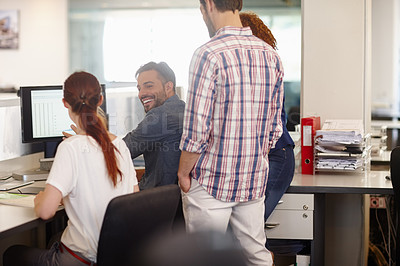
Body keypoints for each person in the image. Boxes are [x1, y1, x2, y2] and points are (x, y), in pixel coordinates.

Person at [177, 1, 284, 265]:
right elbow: (274, 128)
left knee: (202, 258)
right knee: (256, 254)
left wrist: (183, 172)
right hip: (253, 178)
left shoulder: (208, 53)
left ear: (209, 5)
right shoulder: (270, 54)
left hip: (212, 178)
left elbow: (197, 127)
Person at [3, 71, 139, 266]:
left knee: (12, 253)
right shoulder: (120, 145)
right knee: (53, 240)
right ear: (100, 100)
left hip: (81, 259)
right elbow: (133, 200)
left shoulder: (70, 147)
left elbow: (46, 212)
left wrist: (41, 199)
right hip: (117, 255)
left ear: (65, 103)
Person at [239, 11, 295, 222]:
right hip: (252, 157)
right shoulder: (238, 68)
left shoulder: (266, 66)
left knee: (249, 223)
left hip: (275, 155)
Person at [123, 61, 185, 190]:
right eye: (139, 88)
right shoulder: (184, 109)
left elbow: (120, 151)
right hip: (174, 197)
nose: (141, 94)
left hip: (156, 199)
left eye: (149, 86)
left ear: (168, 86)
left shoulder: (160, 116)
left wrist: (89, 136)